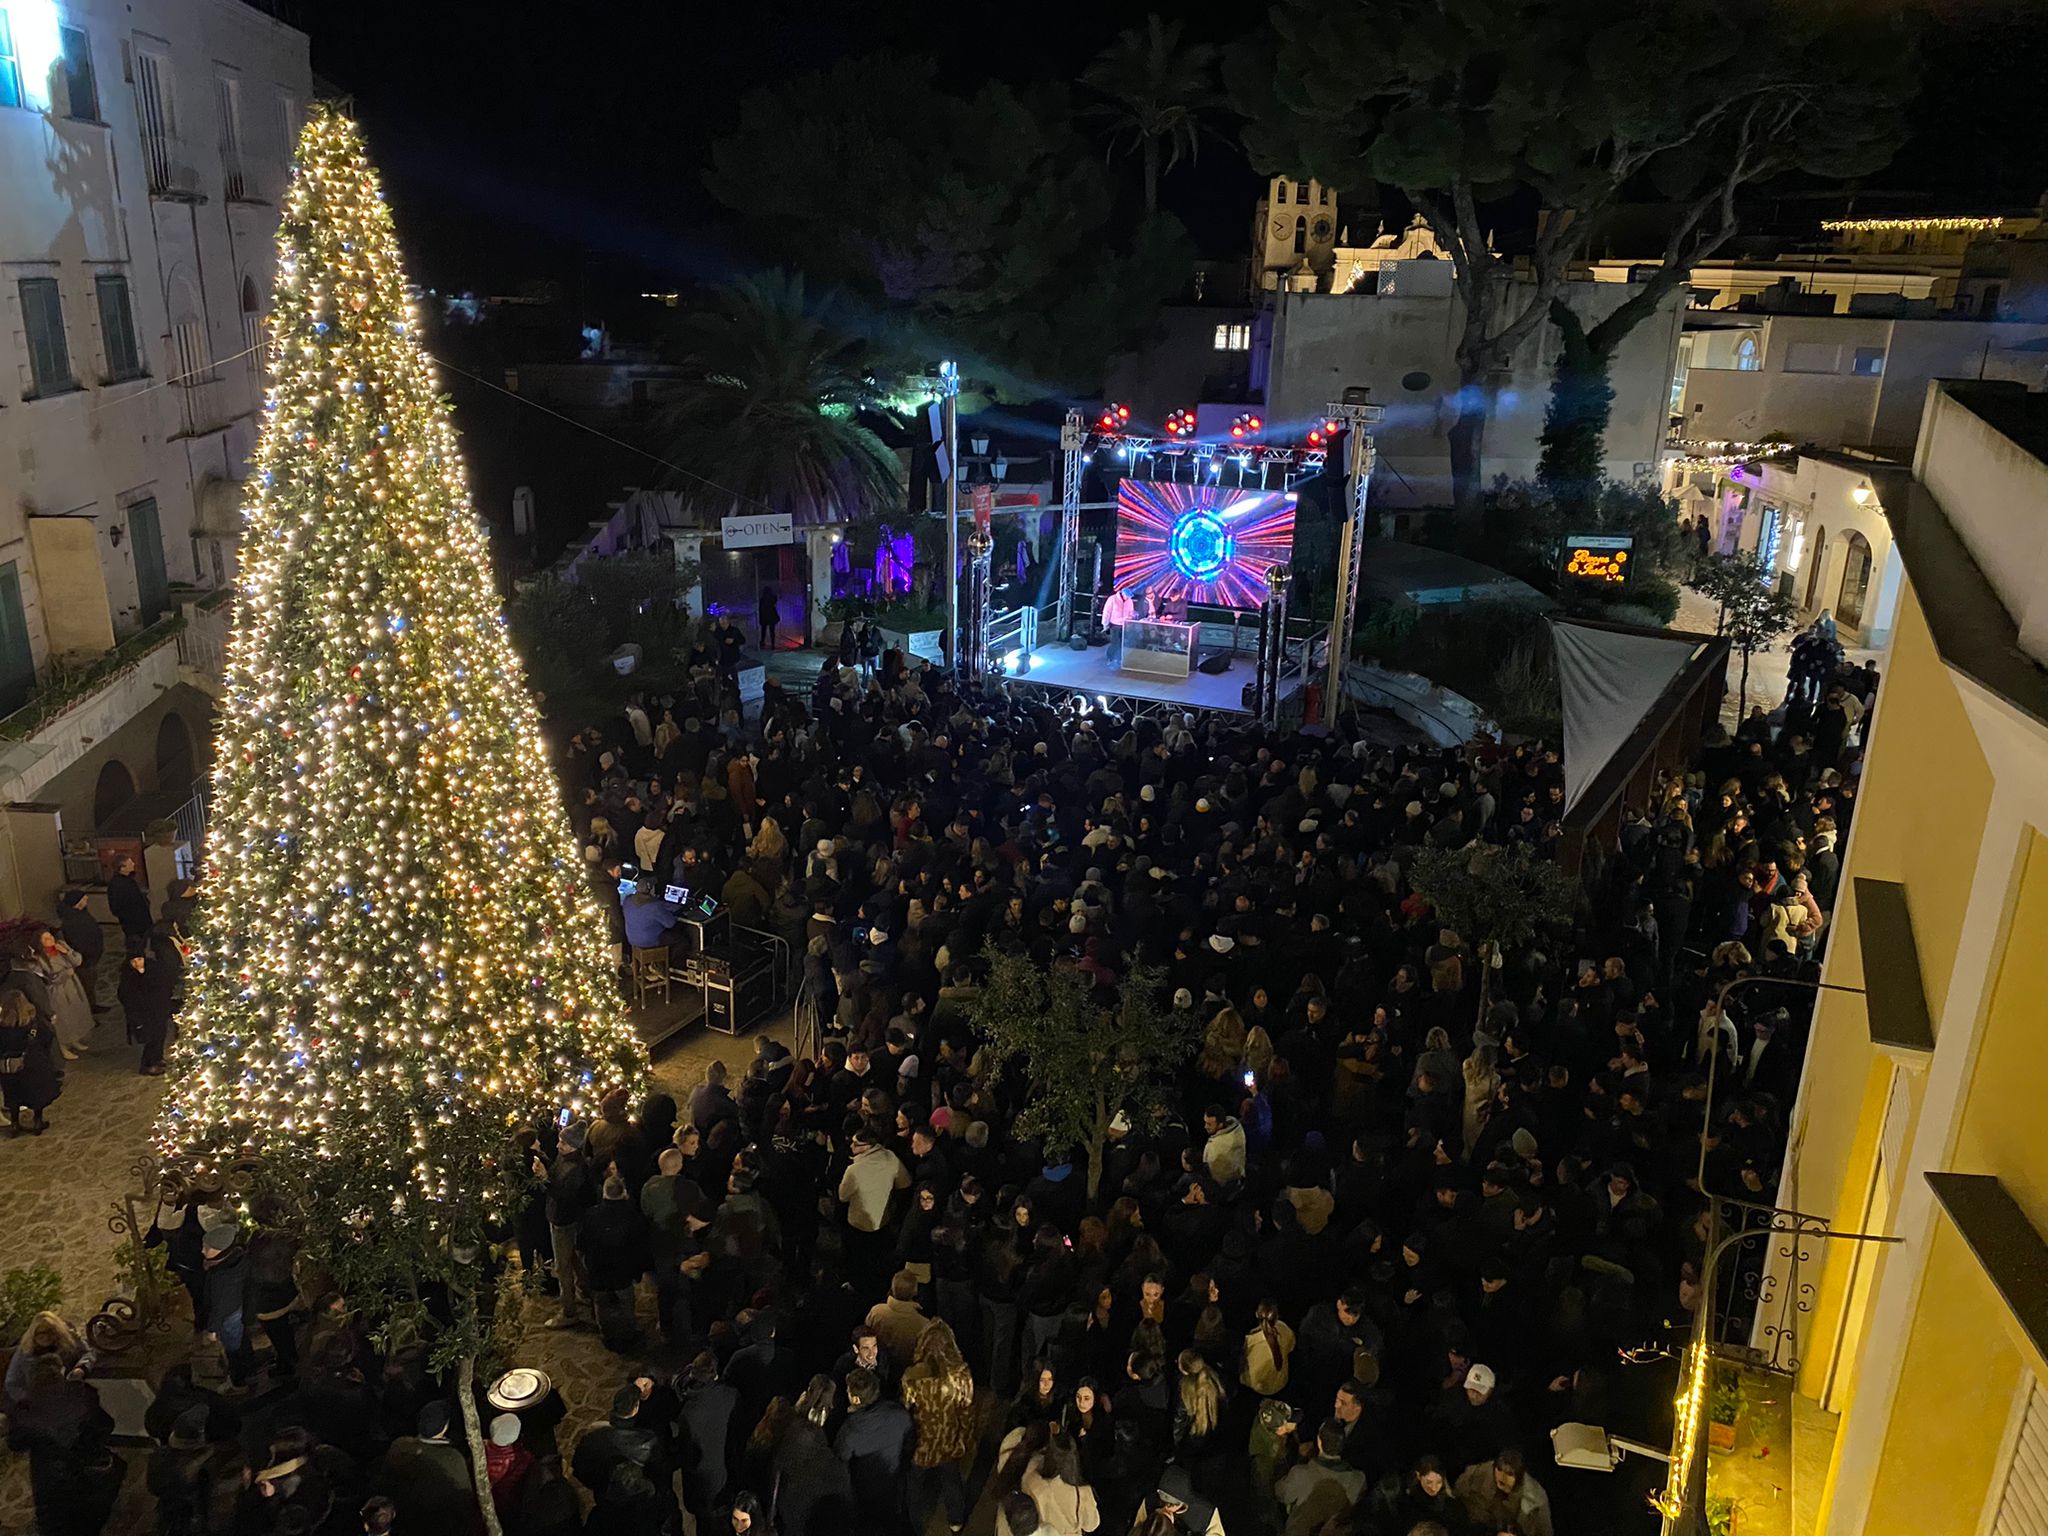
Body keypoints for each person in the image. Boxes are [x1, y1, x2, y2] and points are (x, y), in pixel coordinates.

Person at [901, 1319, 976, 1534]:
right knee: (951, 1480)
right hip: (949, 1439)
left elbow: (906, 1407)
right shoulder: (961, 1375)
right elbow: (967, 1410)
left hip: (921, 1441)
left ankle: (913, 1524)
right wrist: (965, 1439)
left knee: (915, 1484)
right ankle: (956, 1520)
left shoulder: (912, 1376)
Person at [835, 1365, 913, 1531]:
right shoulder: (898, 1413)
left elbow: (840, 1458)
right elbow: (908, 1439)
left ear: (856, 1399)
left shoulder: (850, 1430)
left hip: (864, 1491)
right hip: (893, 1483)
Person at [1454, 1448, 1554, 1536]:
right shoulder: (1477, 1476)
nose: (1502, 1476)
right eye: (1499, 1469)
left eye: (1509, 1474)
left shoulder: (1535, 1500)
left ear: (1518, 1477)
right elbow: (1458, 1502)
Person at [0, 986, 59, 1134]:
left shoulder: (3, 1026)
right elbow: (48, 1036)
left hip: (9, 1066)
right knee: (36, 1093)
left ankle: (14, 1123)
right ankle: (37, 1121)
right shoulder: (34, 1023)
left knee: (13, 1094)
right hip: (33, 1062)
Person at [118, 941, 177, 1076]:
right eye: (134, 961)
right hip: (144, 1015)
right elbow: (127, 997)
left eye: (139, 959)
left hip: (158, 1010)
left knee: (160, 1035)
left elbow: (162, 985)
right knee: (151, 1039)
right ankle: (148, 1064)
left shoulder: (154, 969)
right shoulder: (128, 977)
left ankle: (157, 1058)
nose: (138, 963)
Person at [57, 890, 108, 1013]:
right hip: (84, 959)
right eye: (84, 899)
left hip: (90, 957)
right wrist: (88, 954)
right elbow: (78, 941)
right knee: (86, 986)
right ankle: (87, 1012)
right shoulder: (72, 921)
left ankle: (92, 1006)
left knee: (90, 985)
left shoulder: (81, 914)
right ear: (77, 902)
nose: (86, 901)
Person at [107, 854, 153, 948]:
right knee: (136, 943)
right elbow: (116, 906)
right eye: (130, 862)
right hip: (133, 921)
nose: (133, 863)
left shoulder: (128, 880)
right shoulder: (118, 885)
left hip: (139, 918)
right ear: (122, 868)